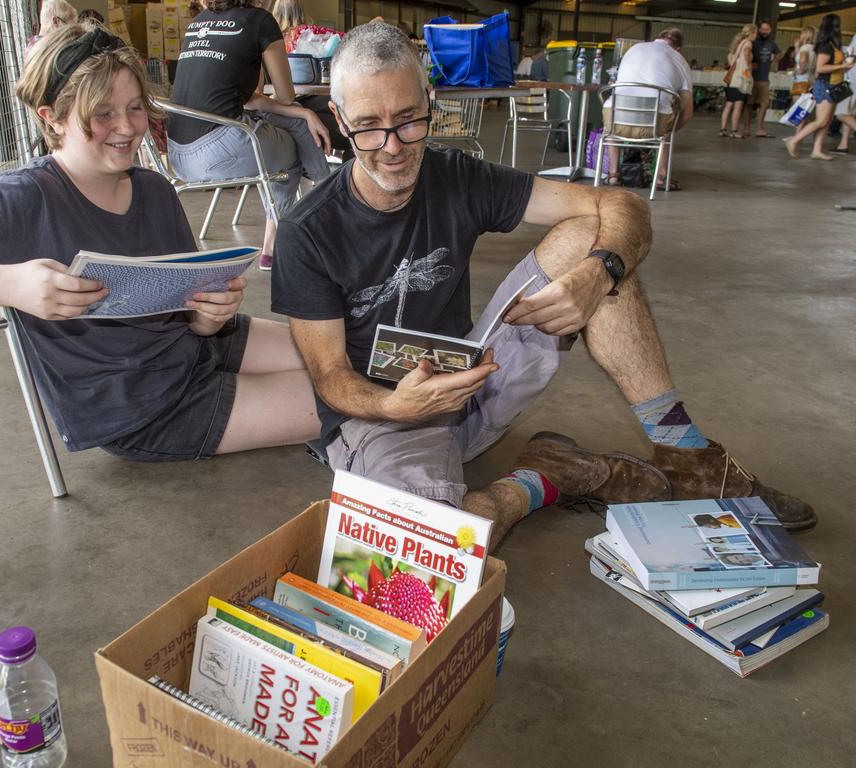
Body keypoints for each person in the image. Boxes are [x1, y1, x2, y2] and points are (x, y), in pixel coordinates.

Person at [270, 23, 816, 551]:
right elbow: (331, 378)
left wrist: (598, 274)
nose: (392, 146)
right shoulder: (307, 231)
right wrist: (396, 407)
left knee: (595, 241)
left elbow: (623, 205)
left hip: (474, 383)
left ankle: (688, 455)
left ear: (431, 99)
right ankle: (544, 479)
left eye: (410, 119)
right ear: (339, 119)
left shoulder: (456, 177)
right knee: (428, 552)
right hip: (382, 422)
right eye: (369, 126)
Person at [0, 23, 320, 464]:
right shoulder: (26, 195)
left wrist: (206, 315)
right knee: (345, 397)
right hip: (146, 407)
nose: (125, 127)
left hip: (194, 348)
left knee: (343, 360)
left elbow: (191, 312)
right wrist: (10, 284)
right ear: (53, 119)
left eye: (136, 107)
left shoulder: (155, 190)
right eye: (102, 113)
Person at [166, 0, 331, 271]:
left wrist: (303, 115)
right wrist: (303, 114)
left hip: (177, 154)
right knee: (291, 151)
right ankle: (321, 214)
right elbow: (287, 95)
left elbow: (247, 99)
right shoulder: (261, 21)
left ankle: (278, 245)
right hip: (219, 146)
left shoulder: (199, 22)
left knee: (293, 122)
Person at [601, 28, 692, 191]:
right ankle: (660, 177)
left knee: (612, 120)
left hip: (615, 120)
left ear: (657, 39)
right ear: (677, 48)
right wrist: (667, 132)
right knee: (669, 124)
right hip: (653, 124)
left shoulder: (634, 49)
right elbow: (687, 112)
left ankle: (613, 174)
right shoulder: (680, 59)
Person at [268, 0, 351, 159]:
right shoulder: (310, 39)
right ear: (302, 11)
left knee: (348, 122)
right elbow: (287, 97)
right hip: (293, 107)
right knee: (351, 130)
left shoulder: (266, 40)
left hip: (278, 109)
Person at [785, 14, 854, 160]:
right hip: (825, 85)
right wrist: (844, 65)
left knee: (826, 121)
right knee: (821, 120)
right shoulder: (826, 46)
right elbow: (821, 68)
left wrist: (845, 67)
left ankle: (816, 150)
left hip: (833, 85)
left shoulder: (833, 45)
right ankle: (794, 140)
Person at [742, 20, 781, 138]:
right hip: (751, 78)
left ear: (771, 30)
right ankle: (746, 129)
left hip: (764, 79)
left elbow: (780, 53)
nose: (764, 32)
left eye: (767, 29)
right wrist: (750, 64)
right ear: (759, 30)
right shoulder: (753, 42)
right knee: (748, 104)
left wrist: (774, 61)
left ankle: (759, 128)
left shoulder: (772, 44)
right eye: (762, 29)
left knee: (764, 104)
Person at [720, 24, 756, 139]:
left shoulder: (739, 44)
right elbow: (746, 54)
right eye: (755, 34)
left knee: (729, 104)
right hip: (740, 79)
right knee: (738, 105)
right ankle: (734, 130)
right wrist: (749, 68)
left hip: (732, 78)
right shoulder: (748, 43)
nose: (756, 36)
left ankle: (723, 129)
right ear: (751, 33)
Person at [830, 33, 856, 153]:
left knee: (840, 113)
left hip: (852, 79)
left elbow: (851, 56)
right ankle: (843, 144)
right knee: (849, 113)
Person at [791, 26, 816, 103]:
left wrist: (801, 69)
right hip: (811, 78)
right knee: (806, 105)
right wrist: (797, 47)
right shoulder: (814, 48)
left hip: (801, 78)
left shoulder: (805, 47)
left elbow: (803, 60)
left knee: (797, 105)